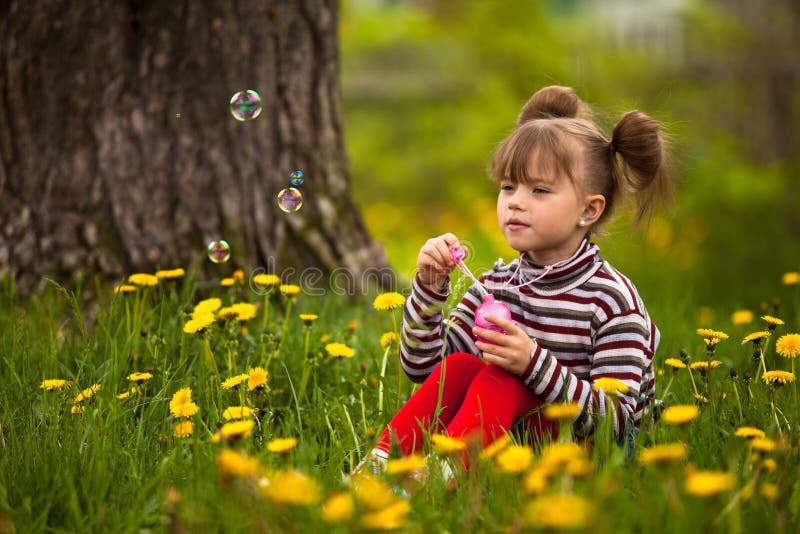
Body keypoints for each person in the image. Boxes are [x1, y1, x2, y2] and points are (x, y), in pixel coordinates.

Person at [356, 85, 672, 476]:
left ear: (588, 210)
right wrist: (429, 289)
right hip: (517, 437)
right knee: (457, 366)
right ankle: (374, 472)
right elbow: (425, 369)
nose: (515, 201)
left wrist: (531, 363)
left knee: (505, 380)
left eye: (539, 190)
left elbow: (618, 421)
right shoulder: (497, 284)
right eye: (508, 186)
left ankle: (437, 480)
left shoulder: (611, 300)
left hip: (597, 453)